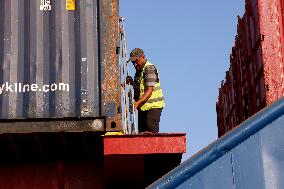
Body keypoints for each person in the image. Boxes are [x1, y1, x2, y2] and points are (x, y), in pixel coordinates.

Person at [127, 48, 165, 134]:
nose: (135, 64)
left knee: (149, 134)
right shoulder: (139, 70)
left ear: (142, 57)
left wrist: (136, 104)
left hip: (153, 107)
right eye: (133, 62)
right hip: (143, 107)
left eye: (136, 61)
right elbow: (141, 87)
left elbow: (149, 91)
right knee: (142, 134)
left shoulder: (149, 68)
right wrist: (132, 82)